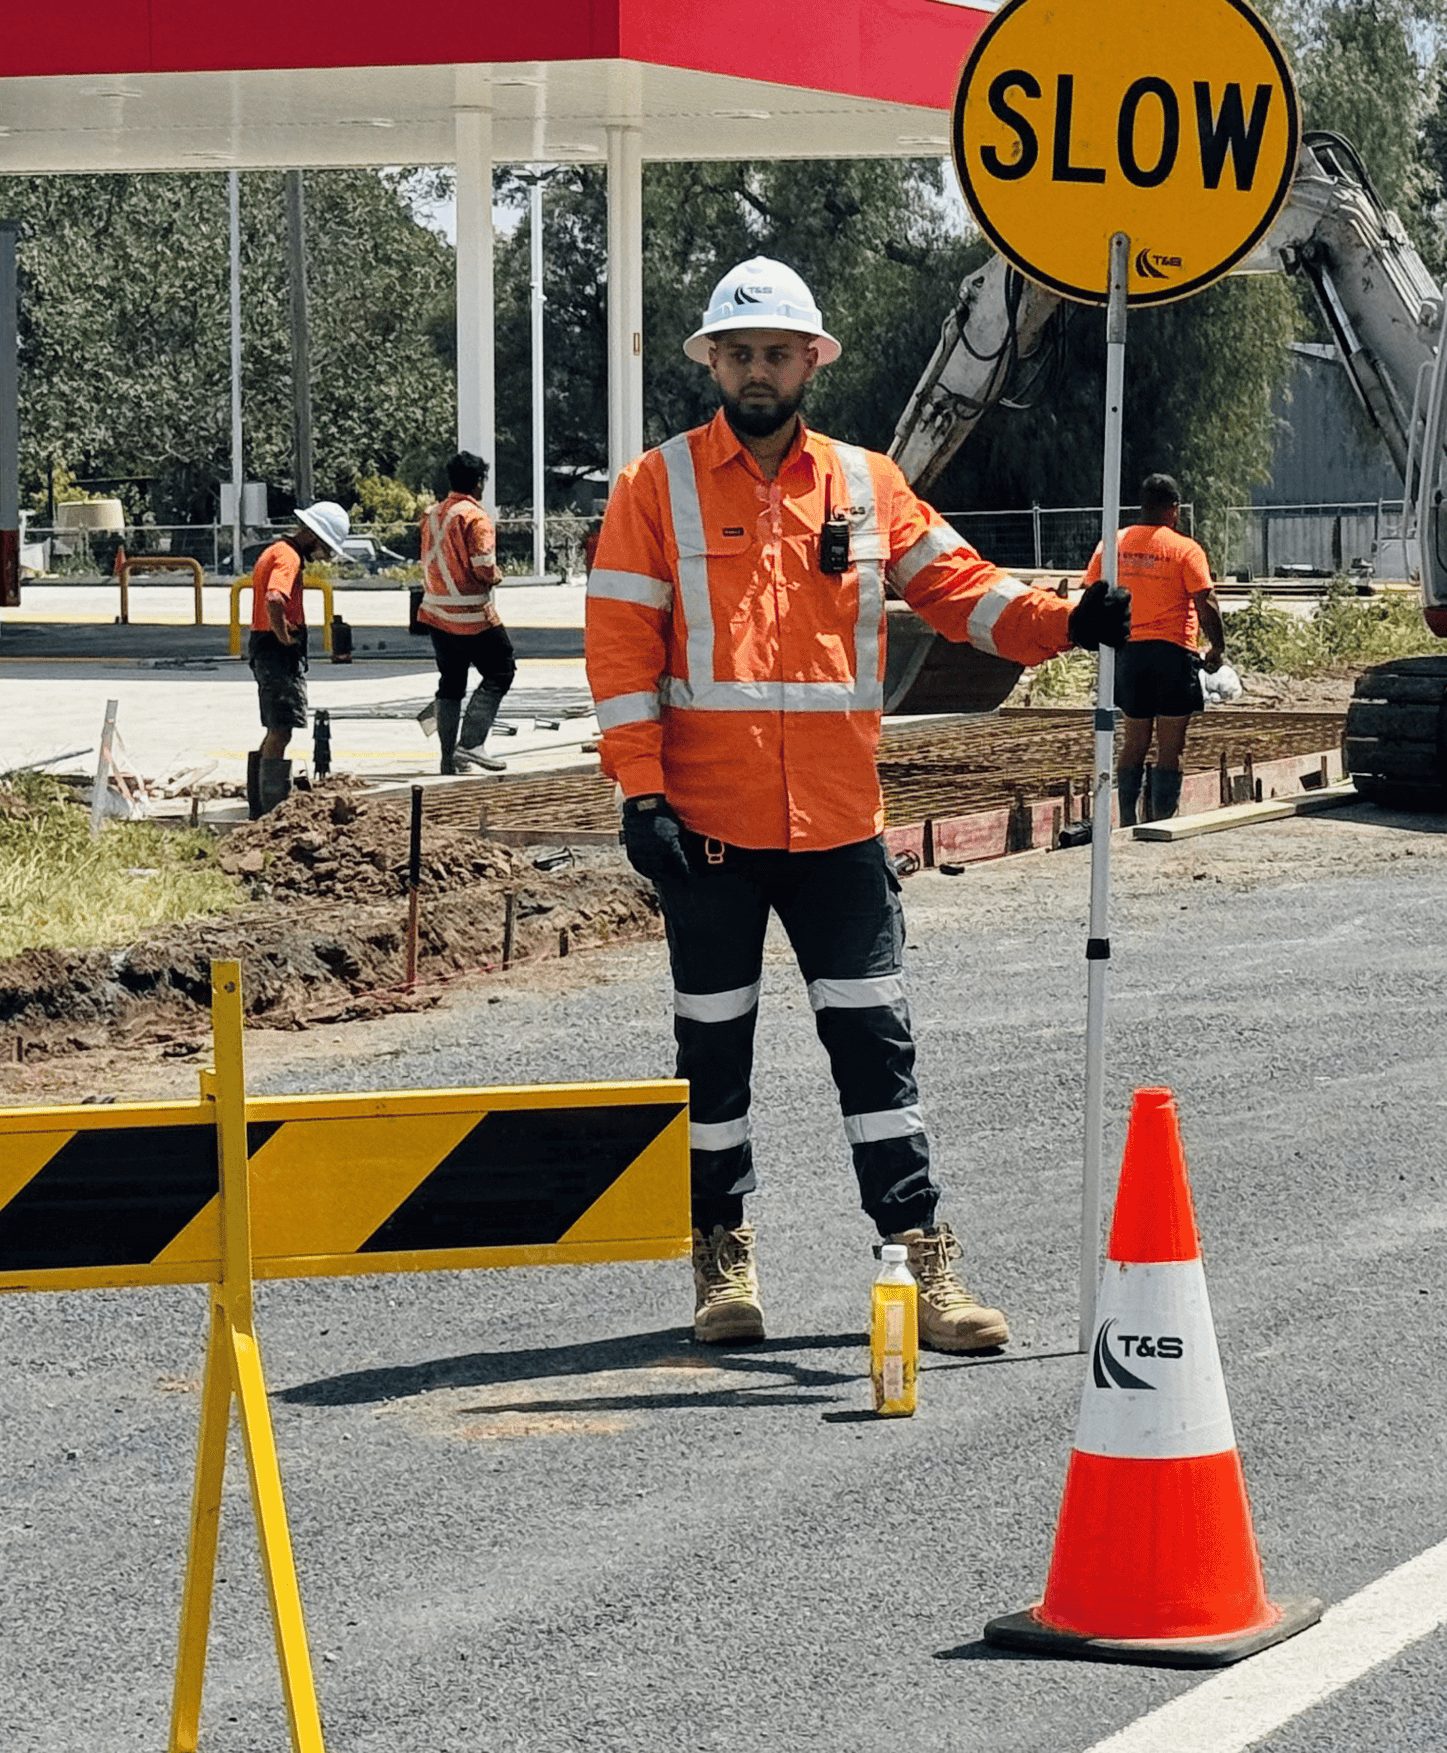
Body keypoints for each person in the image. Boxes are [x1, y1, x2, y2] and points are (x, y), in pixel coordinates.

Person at [588, 256, 1127, 1350]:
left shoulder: (868, 484)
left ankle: (918, 1264)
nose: (756, 371)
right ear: (711, 364)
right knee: (713, 1057)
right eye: (737, 353)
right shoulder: (658, 486)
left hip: (839, 826)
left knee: (876, 1050)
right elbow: (622, 648)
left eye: (776, 353)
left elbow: (961, 589)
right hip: (708, 829)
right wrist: (641, 793)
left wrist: (1068, 620)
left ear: (810, 365)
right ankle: (721, 1260)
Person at [1081, 475, 1223, 826]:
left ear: (1142, 505)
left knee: (1135, 740)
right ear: (1173, 510)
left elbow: (1091, 595)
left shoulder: (1112, 544)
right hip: (1173, 655)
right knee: (1171, 746)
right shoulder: (1185, 549)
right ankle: (1162, 819)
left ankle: (1127, 818)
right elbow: (1206, 604)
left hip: (1128, 655)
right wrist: (1217, 647)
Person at [241, 497, 350, 816]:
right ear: (313, 536)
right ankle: (271, 811)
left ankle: (259, 804)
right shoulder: (288, 557)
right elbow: (275, 598)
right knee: (281, 730)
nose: (323, 556)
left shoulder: (277, 550)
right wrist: (283, 635)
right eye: (326, 548)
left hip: (267, 646)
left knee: (275, 727)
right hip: (275, 651)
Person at [419, 451, 514, 775]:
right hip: (470, 615)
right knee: (501, 671)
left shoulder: (431, 514)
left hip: (435, 613)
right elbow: (484, 566)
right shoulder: (475, 517)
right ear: (478, 482)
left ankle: (449, 759)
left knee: (451, 682)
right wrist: (496, 576)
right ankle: (471, 744)